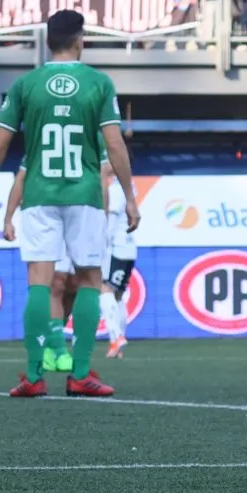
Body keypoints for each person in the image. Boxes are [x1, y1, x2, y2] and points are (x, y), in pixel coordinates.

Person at [0, 9, 139, 399]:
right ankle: (80, 373)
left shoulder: (26, 85)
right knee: (90, 281)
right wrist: (130, 198)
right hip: (85, 195)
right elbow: (114, 144)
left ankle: (33, 375)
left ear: (48, 42)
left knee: (39, 283)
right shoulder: (98, 82)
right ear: (81, 40)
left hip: (39, 196)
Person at [3, 145, 112, 374]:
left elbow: (104, 175)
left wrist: (103, 215)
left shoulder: (92, 136)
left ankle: (52, 342)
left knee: (75, 285)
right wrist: (8, 216)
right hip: (49, 212)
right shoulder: (43, 137)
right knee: (56, 282)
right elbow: (21, 177)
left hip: (83, 214)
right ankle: (59, 350)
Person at [101, 153, 138, 358]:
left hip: (115, 247)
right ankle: (119, 340)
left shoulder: (115, 190)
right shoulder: (127, 187)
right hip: (129, 248)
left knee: (103, 288)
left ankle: (116, 337)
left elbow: (110, 222)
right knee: (117, 294)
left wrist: (101, 244)